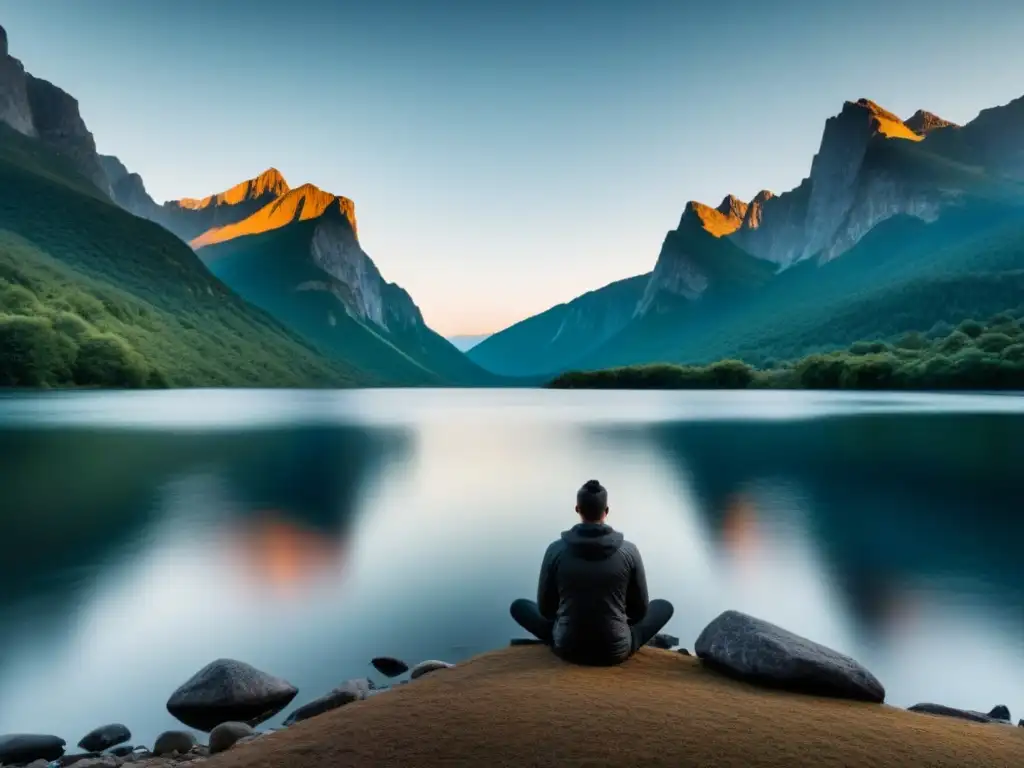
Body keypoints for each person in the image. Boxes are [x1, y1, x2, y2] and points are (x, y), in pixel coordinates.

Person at [509, 479, 674, 666]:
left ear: (577, 509)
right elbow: (639, 612)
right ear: (607, 511)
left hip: (567, 647)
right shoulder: (629, 551)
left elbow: (546, 611)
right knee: (663, 606)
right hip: (615, 650)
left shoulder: (555, 550)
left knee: (519, 607)